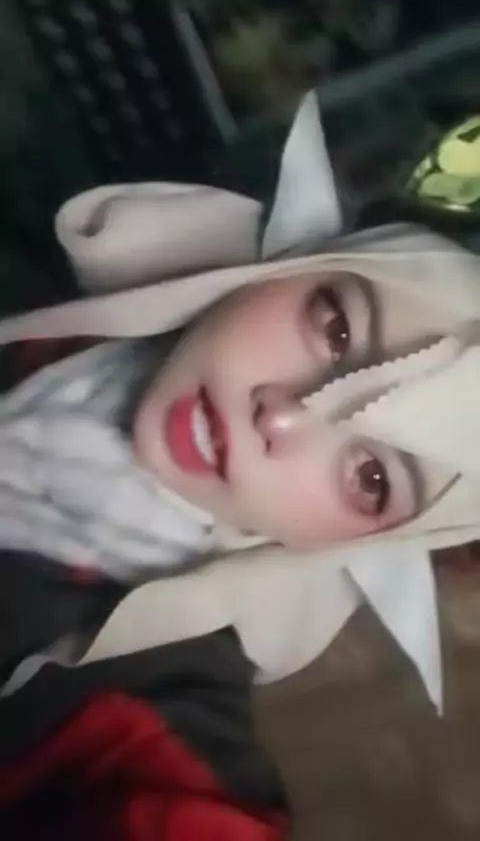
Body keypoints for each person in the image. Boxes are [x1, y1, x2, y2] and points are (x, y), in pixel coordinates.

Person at [0, 93, 479, 838]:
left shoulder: (139, 696)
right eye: (335, 327)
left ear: (370, 544)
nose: (283, 417)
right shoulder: (37, 262)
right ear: (293, 268)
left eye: (372, 478)